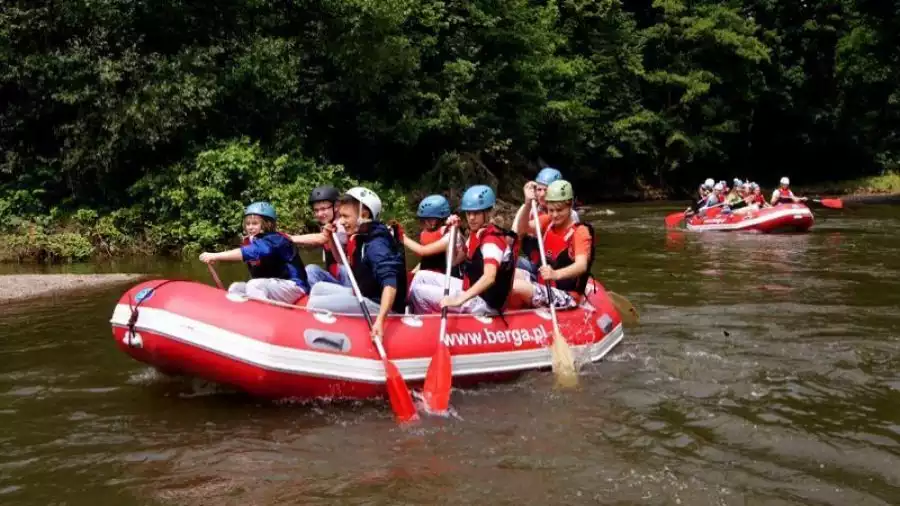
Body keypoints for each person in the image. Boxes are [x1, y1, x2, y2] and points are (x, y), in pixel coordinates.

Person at [306, 187, 407, 339]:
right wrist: (331, 237)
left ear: (364, 215)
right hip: (364, 294)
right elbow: (341, 261)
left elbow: (390, 284)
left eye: (345, 216)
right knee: (318, 288)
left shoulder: (376, 245)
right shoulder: (361, 236)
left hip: (379, 305)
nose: (341, 221)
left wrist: (380, 321)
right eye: (340, 216)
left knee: (314, 304)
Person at [408, 185, 518, 315]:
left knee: (418, 292)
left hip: (485, 303)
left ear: (488, 213)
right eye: (468, 213)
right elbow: (453, 261)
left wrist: (459, 299)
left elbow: (489, 277)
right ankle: (409, 312)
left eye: (476, 213)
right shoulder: (476, 234)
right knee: (421, 276)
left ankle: (425, 324)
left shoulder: (491, 241)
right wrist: (454, 232)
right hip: (470, 288)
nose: (471, 218)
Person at [199, 202, 310, 303]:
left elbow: (252, 252)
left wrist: (215, 255)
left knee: (254, 285)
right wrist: (217, 259)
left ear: (268, 224)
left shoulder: (276, 240)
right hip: (272, 285)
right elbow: (245, 256)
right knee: (235, 287)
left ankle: (266, 317)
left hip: (294, 286)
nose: (250, 227)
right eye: (248, 224)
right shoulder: (251, 241)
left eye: (255, 223)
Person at [511, 180, 593, 309]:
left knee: (516, 286)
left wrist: (555, 274)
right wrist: (527, 204)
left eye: (559, 210)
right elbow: (522, 229)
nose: (554, 215)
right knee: (506, 275)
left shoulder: (580, 232)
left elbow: (581, 265)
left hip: (566, 294)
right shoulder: (547, 221)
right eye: (551, 210)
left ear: (570, 205)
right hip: (543, 283)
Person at [513, 167, 579, 280]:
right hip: (536, 265)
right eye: (539, 190)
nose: (542, 194)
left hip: (557, 268)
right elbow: (515, 235)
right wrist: (527, 204)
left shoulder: (569, 215)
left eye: (546, 190)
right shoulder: (529, 210)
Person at [290, 185, 351, 287]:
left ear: (336, 206)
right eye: (316, 210)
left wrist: (290, 238)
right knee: (311, 270)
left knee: (343, 269)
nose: (319, 214)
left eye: (323, 209)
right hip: (336, 280)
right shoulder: (328, 226)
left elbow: (321, 238)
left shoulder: (342, 225)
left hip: (349, 283)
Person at [403, 195, 465, 276]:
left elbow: (423, 251)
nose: (423, 223)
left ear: (434, 221)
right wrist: (414, 272)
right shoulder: (428, 232)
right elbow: (427, 258)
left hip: (448, 280)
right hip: (434, 277)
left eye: (425, 220)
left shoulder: (451, 234)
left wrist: (402, 237)